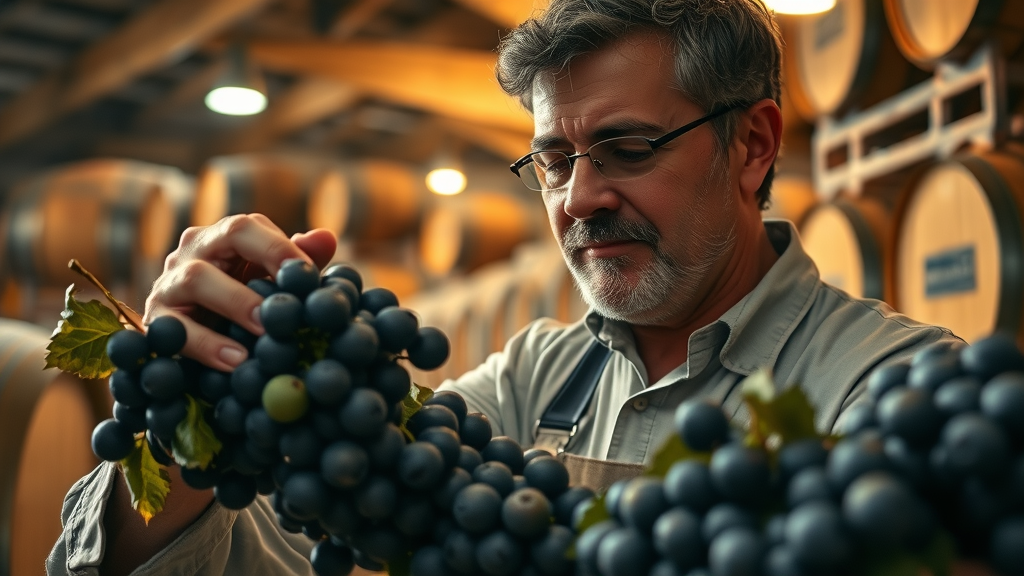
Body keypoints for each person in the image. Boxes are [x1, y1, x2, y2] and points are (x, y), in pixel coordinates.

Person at [47, 1, 961, 575]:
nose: (580, 198)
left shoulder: (897, 389)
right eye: (554, 160)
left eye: (628, 149)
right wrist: (194, 407)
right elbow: (280, 548)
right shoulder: (533, 378)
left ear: (753, 145)